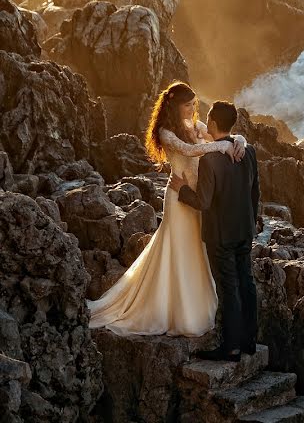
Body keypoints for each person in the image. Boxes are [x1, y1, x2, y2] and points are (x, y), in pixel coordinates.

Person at [87, 82, 246, 337]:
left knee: (197, 248)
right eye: (188, 105)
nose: (193, 109)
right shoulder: (165, 132)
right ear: (174, 106)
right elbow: (190, 150)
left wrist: (239, 139)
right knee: (179, 248)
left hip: (195, 197)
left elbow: (221, 136)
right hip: (178, 197)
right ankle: (174, 311)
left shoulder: (193, 126)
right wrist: (222, 147)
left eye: (194, 104)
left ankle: (195, 308)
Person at [170, 100, 259, 361]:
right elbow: (255, 192)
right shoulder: (249, 151)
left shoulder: (210, 159)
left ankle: (231, 346)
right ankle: (249, 340)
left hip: (221, 234)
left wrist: (181, 189)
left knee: (229, 289)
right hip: (245, 228)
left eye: (208, 119)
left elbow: (203, 202)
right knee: (247, 283)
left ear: (213, 123)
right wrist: (253, 221)